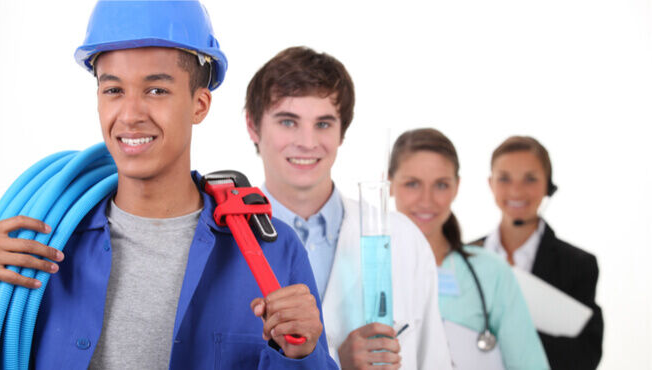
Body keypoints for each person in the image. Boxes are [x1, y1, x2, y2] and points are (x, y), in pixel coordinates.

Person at [0, 1, 337, 368]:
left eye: (156, 90)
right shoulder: (36, 245)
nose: (131, 115)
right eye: (114, 90)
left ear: (199, 105)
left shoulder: (274, 253)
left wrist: (304, 356)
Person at [244, 46, 452, 369]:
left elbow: (433, 361)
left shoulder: (401, 239)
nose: (308, 142)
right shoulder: (220, 242)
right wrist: (331, 364)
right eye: (288, 122)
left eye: (324, 124)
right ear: (253, 126)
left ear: (342, 132)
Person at [388, 128, 549, 369]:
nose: (426, 200)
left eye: (441, 185)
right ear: (389, 184)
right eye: (412, 184)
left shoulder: (491, 272)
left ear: (456, 187)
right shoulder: (362, 267)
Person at [472, 135, 603, 370]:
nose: (516, 190)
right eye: (504, 178)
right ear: (490, 184)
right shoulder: (464, 256)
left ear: (548, 186)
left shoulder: (578, 264)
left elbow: (585, 356)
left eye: (530, 179)